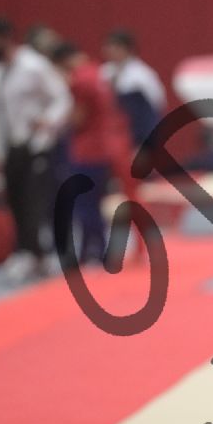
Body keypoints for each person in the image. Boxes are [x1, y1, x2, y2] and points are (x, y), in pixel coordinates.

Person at [0, 15, 73, 281]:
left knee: (36, 202)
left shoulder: (34, 65)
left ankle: (40, 254)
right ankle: (33, 253)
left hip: (37, 145)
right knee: (16, 202)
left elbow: (62, 97)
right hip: (12, 148)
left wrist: (49, 122)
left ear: (5, 38)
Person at [52, 42, 133, 264]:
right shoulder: (97, 73)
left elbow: (79, 118)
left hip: (86, 151)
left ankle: (95, 251)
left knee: (85, 204)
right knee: (94, 202)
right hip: (103, 148)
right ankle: (98, 249)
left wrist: (56, 125)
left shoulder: (80, 80)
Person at [101, 29, 166, 152]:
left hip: (136, 131)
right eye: (108, 46)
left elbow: (157, 103)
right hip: (110, 131)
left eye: (116, 47)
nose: (110, 50)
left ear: (127, 49)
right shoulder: (104, 72)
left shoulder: (142, 74)